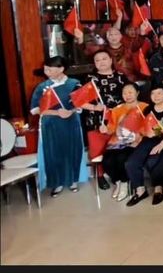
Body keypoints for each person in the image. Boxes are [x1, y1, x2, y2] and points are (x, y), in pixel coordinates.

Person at [29, 56, 89, 197]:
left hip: (71, 122)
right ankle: (57, 182)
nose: (46, 72)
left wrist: (70, 111)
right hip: (50, 124)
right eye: (45, 69)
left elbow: (81, 104)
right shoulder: (42, 87)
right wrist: (57, 112)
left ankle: (73, 180)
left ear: (61, 69)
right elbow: (35, 109)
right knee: (53, 153)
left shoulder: (74, 83)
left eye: (49, 69)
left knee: (72, 150)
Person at [78, 50, 128, 190]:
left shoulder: (121, 77)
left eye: (104, 59)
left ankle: (120, 176)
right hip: (96, 119)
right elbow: (79, 101)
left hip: (117, 118)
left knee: (117, 149)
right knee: (97, 150)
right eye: (97, 60)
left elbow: (130, 97)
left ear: (111, 60)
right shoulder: (89, 78)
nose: (101, 62)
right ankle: (100, 176)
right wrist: (95, 107)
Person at [124, 85, 163, 206]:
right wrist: (145, 133)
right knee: (131, 163)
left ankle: (158, 189)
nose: (156, 96)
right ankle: (140, 191)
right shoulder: (148, 109)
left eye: (159, 93)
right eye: (153, 93)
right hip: (149, 140)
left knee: (152, 161)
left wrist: (161, 134)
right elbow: (143, 128)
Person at [101, 83, 148, 202]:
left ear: (137, 93)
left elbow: (148, 126)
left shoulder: (145, 107)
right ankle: (118, 182)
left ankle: (124, 183)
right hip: (117, 141)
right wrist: (106, 129)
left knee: (122, 158)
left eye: (130, 92)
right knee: (107, 161)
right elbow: (111, 128)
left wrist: (140, 137)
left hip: (135, 141)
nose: (128, 95)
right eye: (125, 93)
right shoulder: (117, 109)